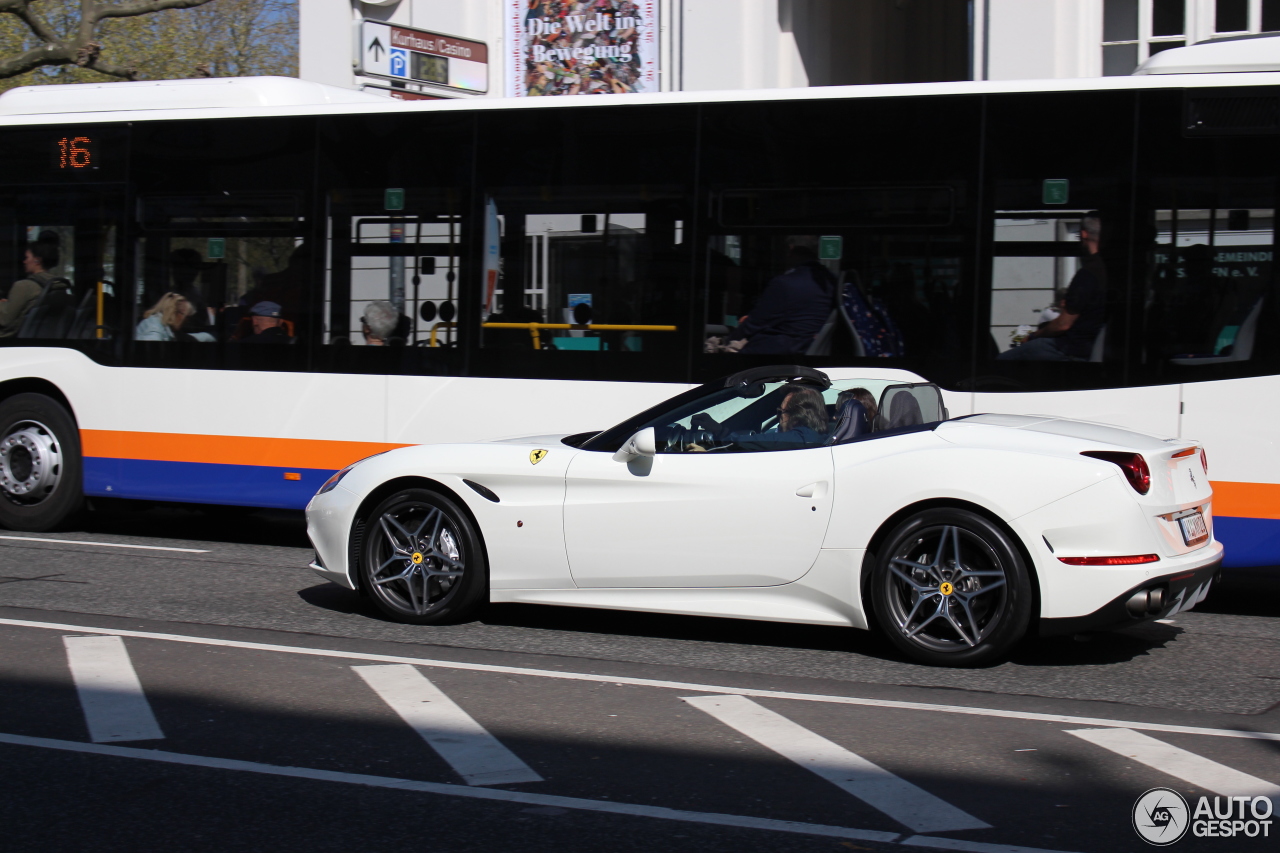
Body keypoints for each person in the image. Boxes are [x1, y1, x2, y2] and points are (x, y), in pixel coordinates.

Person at [999, 213, 1106, 361]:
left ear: (1083, 234)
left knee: (1002, 362)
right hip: (1092, 349)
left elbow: (1063, 325)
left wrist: (1034, 336)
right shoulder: (1111, 269)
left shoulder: (1088, 273)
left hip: (1070, 349)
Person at [731, 237, 836, 355]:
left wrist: (729, 339)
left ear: (790, 250)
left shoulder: (785, 283)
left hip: (776, 353)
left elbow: (756, 323)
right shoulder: (830, 281)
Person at [693, 385, 829, 451]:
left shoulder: (801, 440)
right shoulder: (815, 439)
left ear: (798, 415)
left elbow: (762, 441)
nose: (779, 419)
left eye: (781, 412)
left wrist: (708, 449)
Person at [0, 231, 62, 338]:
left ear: (37, 260)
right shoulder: (57, 285)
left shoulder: (24, 286)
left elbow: (5, 319)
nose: (24, 261)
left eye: (27, 258)